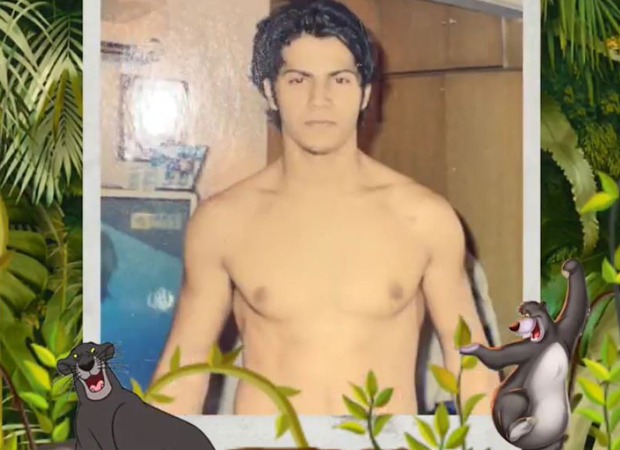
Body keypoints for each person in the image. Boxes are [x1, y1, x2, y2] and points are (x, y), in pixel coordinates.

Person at [150, 0, 499, 415]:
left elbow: (472, 368)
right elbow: (184, 370)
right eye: (299, 80)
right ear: (270, 91)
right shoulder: (223, 221)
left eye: (340, 80)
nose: (320, 100)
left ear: (365, 93)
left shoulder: (425, 218)